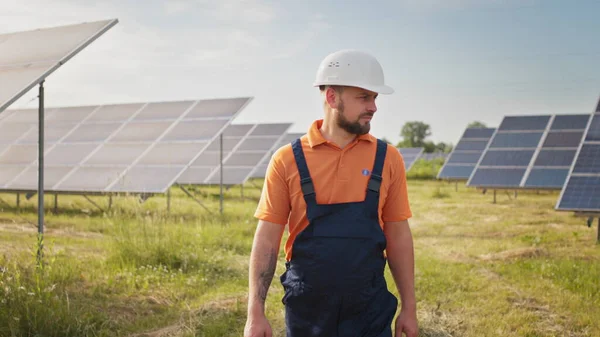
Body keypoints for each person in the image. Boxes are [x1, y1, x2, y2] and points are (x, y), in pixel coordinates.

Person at [244, 49, 418, 337]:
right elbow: (267, 239)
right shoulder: (287, 160)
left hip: (370, 311)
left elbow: (398, 234)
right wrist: (255, 313)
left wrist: (409, 308)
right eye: (364, 97)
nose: (374, 107)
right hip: (307, 313)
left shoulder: (388, 159)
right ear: (332, 97)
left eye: (375, 98)